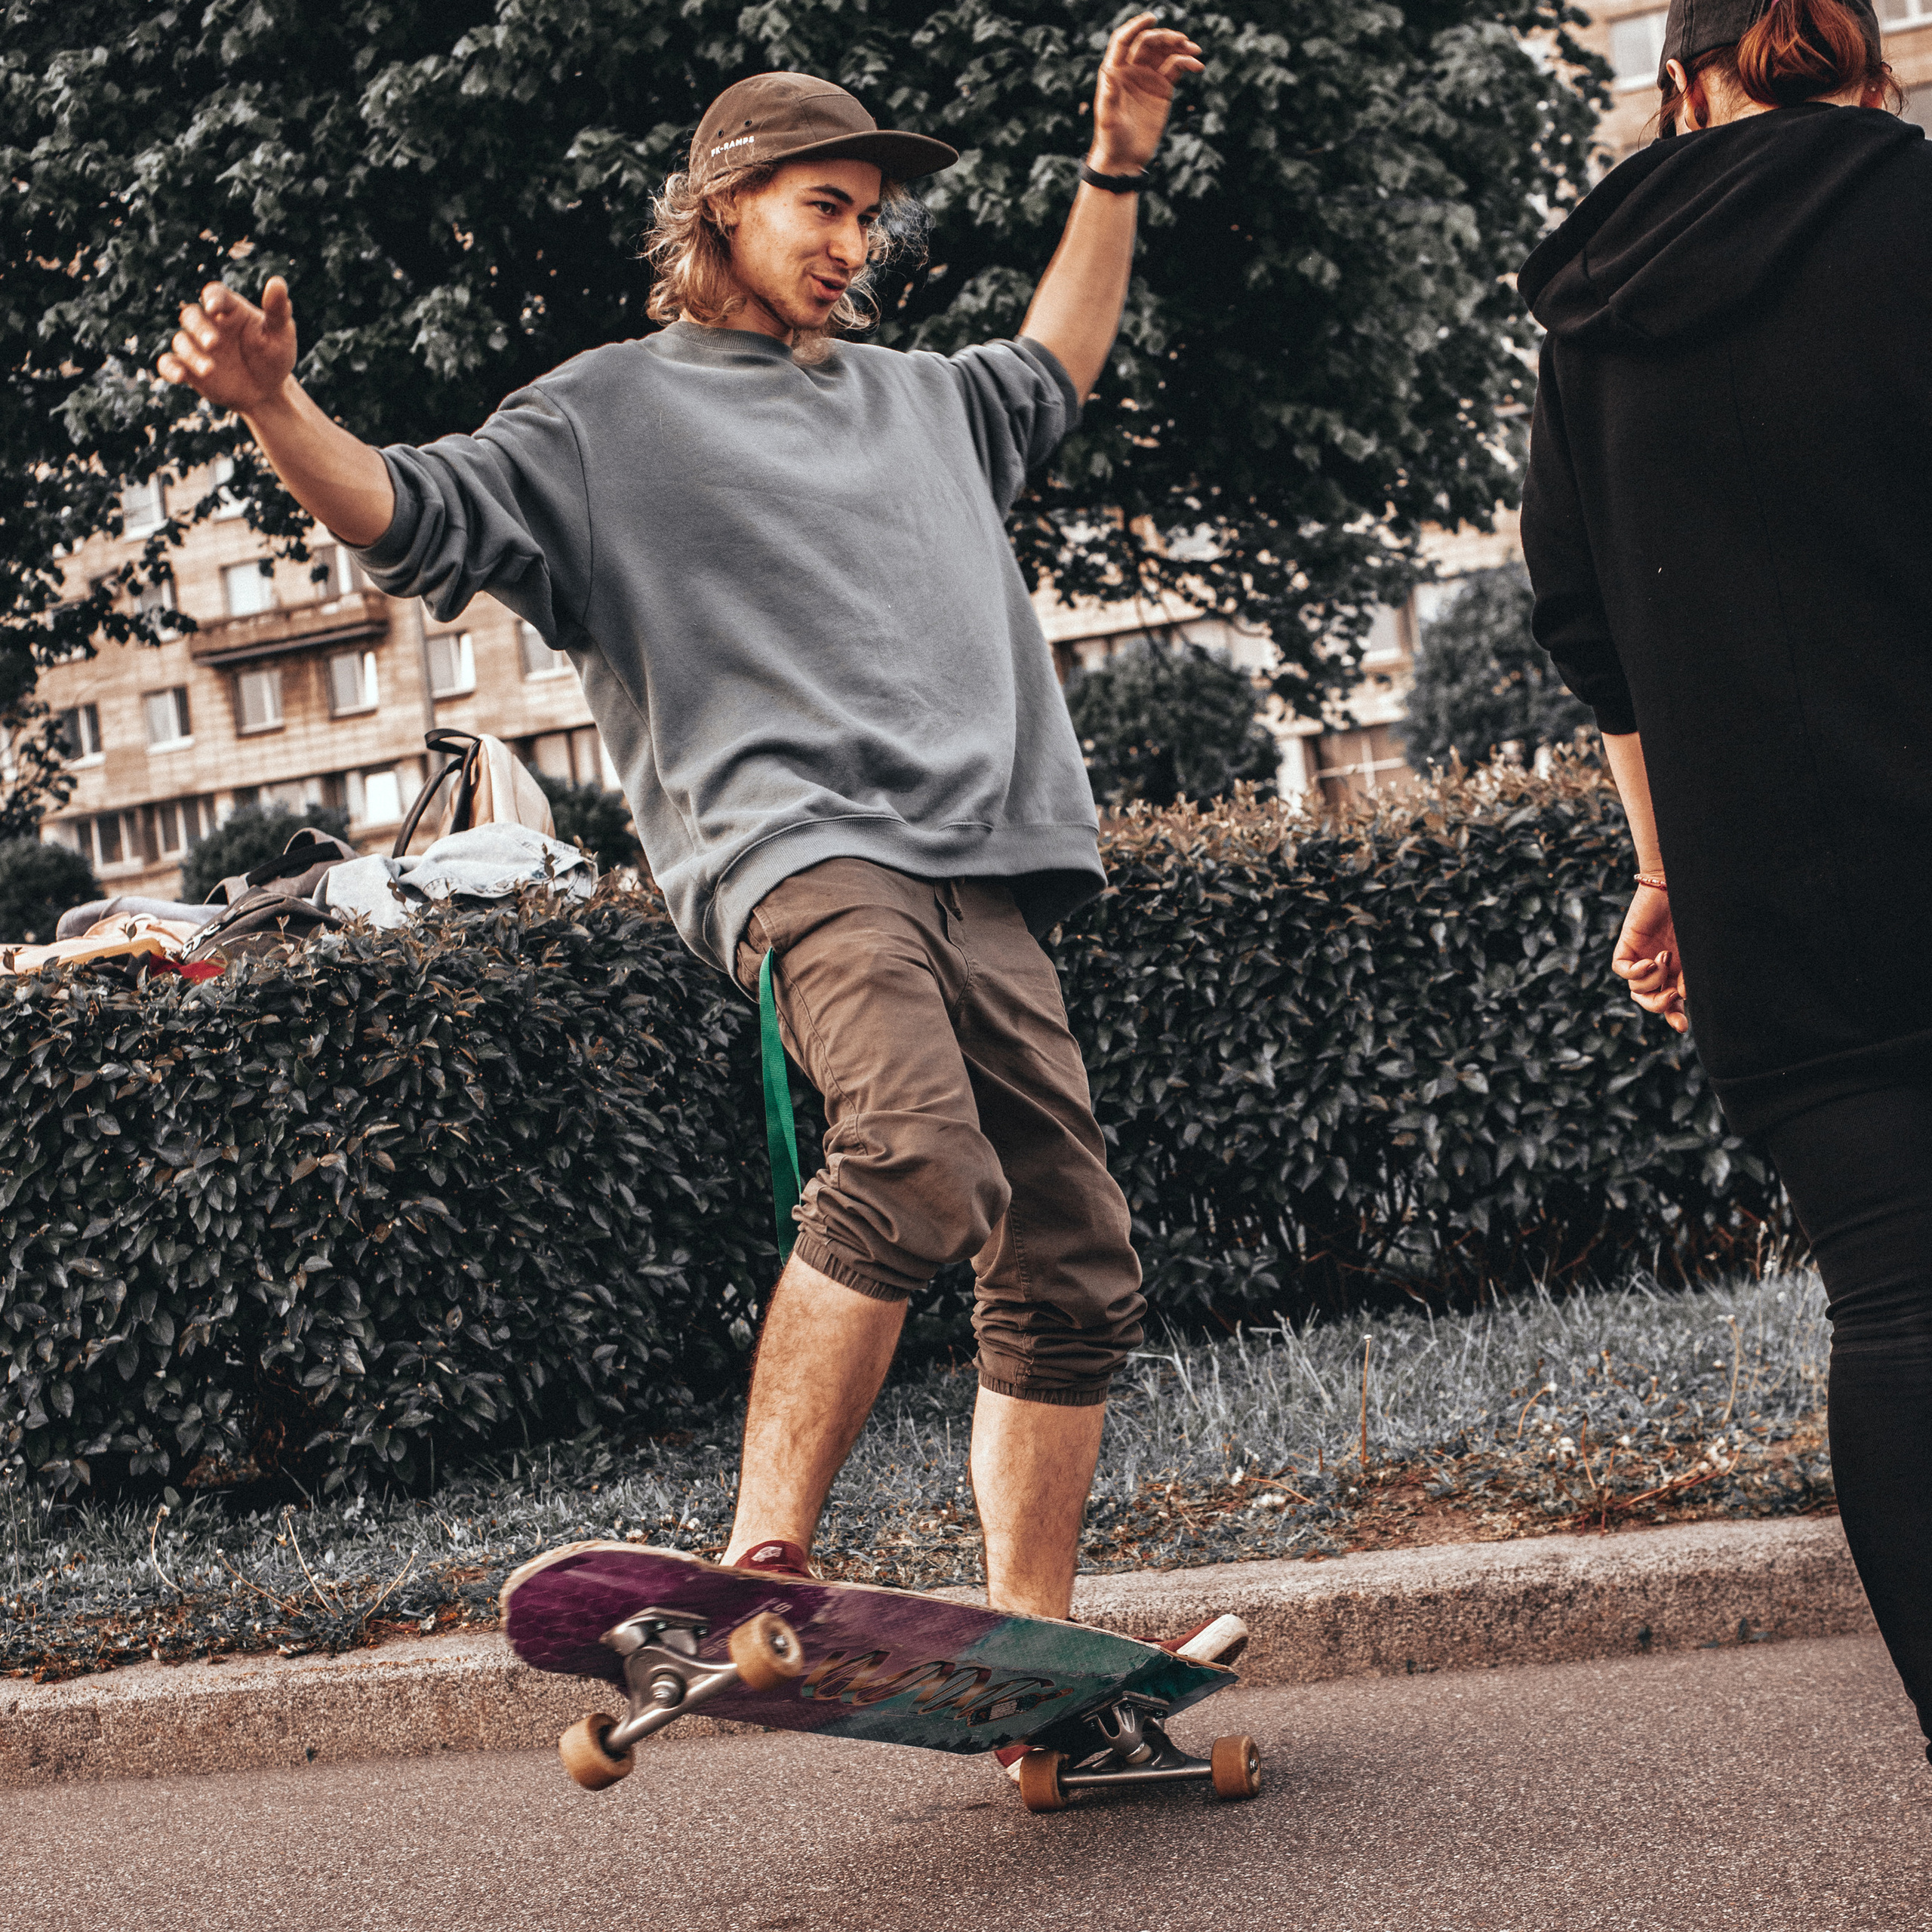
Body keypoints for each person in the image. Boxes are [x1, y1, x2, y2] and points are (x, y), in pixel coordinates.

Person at [156, 18, 1248, 1709]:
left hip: (992, 860)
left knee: (1070, 1246)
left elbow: (1058, 354)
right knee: (914, 1153)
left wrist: (1113, 159)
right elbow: (402, 509)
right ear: (724, 206)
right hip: (804, 853)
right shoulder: (603, 416)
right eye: (824, 206)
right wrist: (278, 404)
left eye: (868, 219)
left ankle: (1032, 1644)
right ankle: (761, 1548)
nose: (853, 245)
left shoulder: (924, 401)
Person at [1518, 0, 1932, 1760]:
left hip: (1781, 895)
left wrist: (1665, 862)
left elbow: (1584, 625)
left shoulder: (1593, 310)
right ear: (1874, 67)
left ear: (1674, 84)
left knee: (1896, 1298)